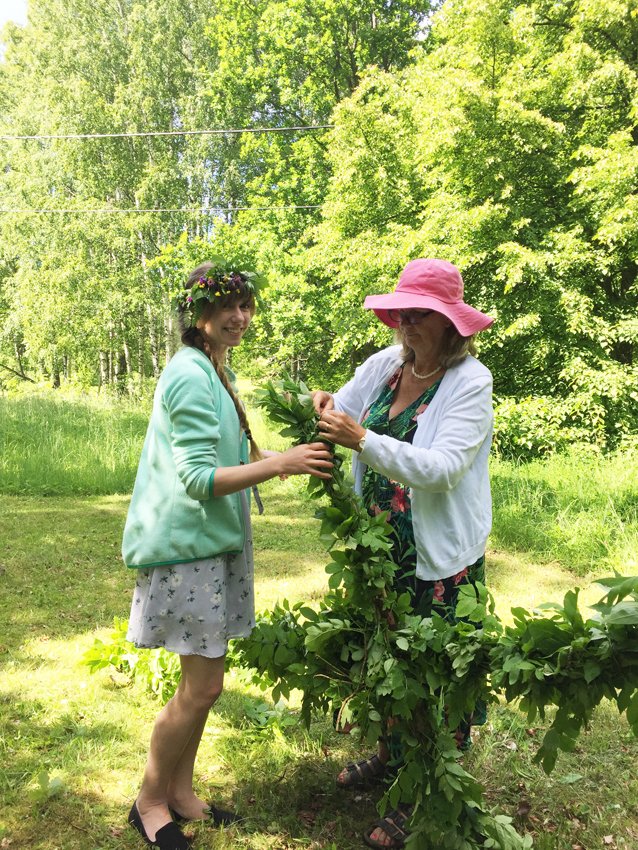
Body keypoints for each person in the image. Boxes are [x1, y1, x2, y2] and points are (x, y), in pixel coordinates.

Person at [122, 262, 333, 850]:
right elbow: (194, 478)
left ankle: (181, 793)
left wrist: (290, 430)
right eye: (227, 305)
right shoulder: (189, 374)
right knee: (202, 687)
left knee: (205, 682)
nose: (239, 316)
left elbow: (228, 442)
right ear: (200, 313)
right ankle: (148, 802)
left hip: (213, 546)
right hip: (188, 549)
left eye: (246, 304)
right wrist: (281, 462)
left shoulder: (215, 368)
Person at [312, 258, 494, 850]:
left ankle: (427, 789)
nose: (407, 324)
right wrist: (323, 407)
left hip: (438, 554)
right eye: (404, 313)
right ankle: (392, 763)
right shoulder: (385, 366)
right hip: (382, 548)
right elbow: (341, 406)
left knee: (436, 672)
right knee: (390, 663)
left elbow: (441, 470)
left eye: (422, 315)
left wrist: (363, 439)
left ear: (450, 325)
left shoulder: (471, 382)